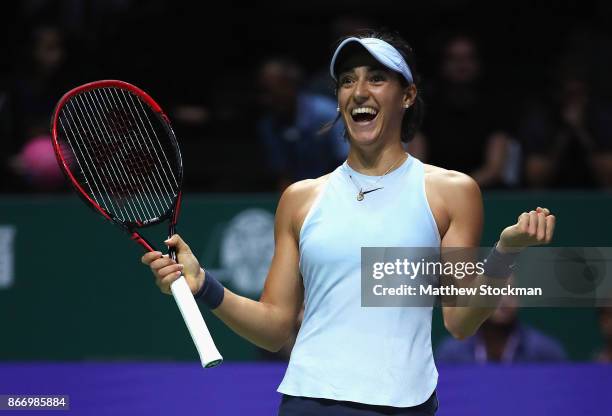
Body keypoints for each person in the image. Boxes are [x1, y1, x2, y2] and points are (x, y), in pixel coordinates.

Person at [142, 30, 556, 415]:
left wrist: (506, 251)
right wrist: (203, 286)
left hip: (404, 403)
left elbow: (460, 320)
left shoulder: (451, 192)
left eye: (377, 78)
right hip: (310, 400)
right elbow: (273, 329)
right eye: (346, 80)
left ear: (407, 95)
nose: (359, 91)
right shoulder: (301, 199)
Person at [419, 35, 517, 188]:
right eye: (454, 59)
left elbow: (494, 169)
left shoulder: (495, 107)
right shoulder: (425, 107)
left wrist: (458, 191)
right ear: (443, 65)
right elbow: (418, 164)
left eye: (468, 58)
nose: (461, 65)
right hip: (435, 193)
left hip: (484, 194)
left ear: (478, 64)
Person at [257, 58, 348, 191]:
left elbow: (346, 161)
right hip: (297, 196)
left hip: (335, 189)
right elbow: (282, 174)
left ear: (289, 85)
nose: (266, 99)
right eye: (263, 92)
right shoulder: (268, 125)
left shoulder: (326, 113)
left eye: (270, 90)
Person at [436, 290, 566, 363]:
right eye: (495, 292)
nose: (504, 300)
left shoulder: (544, 352)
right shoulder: (451, 354)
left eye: (511, 292)